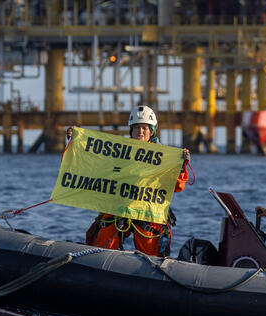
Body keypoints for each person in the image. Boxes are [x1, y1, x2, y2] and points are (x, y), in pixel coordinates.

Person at [82, 104, 191, 257]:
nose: (140, 131)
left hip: (148, 211)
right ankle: (96, 261)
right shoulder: (120, 152)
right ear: (131, 130)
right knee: (104, 232)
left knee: (151, 249)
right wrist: (76, 140)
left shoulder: (163, 157)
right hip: (121, 208)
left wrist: (181, 167)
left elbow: (178, 187)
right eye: (137, 128)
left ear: (151, 131)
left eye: (145, 128)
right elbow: (96, 162)